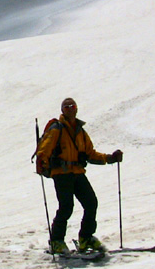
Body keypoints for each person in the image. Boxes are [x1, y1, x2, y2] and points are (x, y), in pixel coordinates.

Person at [35, 98, 123, 254]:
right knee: (66, 207)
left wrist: (110, 158)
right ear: (62, 110)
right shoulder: (57, 129)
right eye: (66, 106)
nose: (70, 108)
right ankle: (56, 241)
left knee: (91, 203)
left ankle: (86, 237)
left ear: (76, 109)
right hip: (61, 174)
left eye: (72, 106)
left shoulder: (80, 131)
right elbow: (46, 147)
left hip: (77, 173)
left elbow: (90, 153)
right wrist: (42, 160)